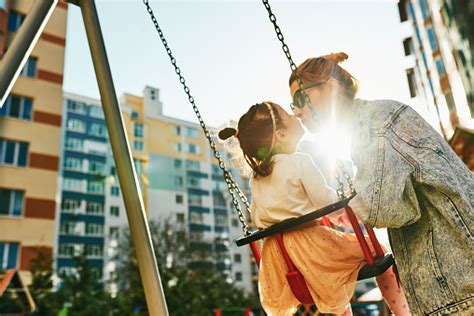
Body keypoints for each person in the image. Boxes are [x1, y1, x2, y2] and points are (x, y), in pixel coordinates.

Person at [288, 52, 474, 315]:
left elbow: (385, 208)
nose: (296, 111)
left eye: (300, 98)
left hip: (460, 284)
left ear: (329, 87)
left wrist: (350, 208)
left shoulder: (376, 125)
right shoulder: (371, 121)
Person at [219, 102, 410, 315]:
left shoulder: (257, 178)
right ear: (281, 134)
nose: (294, 115)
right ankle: (403, 313)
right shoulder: (300, 161)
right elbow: (326, 202)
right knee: (378, 253)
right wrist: (344, 203)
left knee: (331, 283)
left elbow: (256, 216)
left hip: (279, 258)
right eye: (287, 115)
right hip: (312, 247)